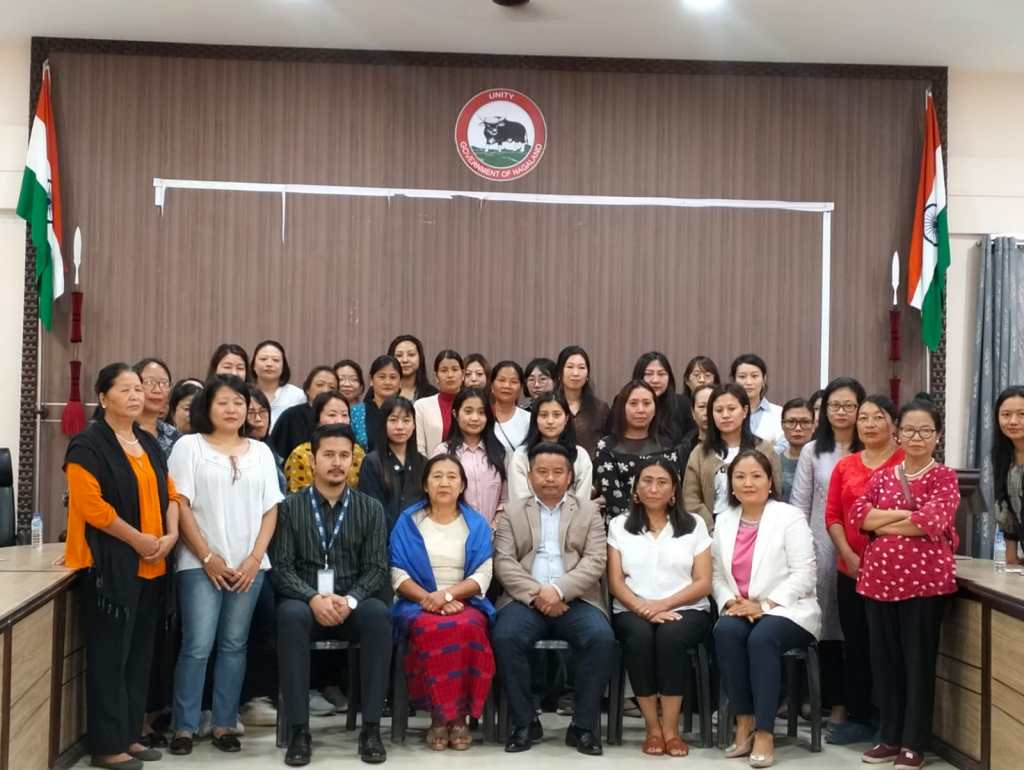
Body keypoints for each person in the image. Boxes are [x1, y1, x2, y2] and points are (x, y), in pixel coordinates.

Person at [64, 363, 180, 770]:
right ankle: (107, 746)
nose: (136, 396)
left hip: (153, 565)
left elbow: (171, 494)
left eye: (138, 389)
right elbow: (92, 508)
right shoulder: (87, 445)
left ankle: (130, 735)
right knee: (110, 658)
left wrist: (170, 536)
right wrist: (138, 540)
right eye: (126, 389)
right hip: (110, 566)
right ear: (103, 397)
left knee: (139, 656)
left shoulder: (147, 442)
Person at [168, 375, 283, 755]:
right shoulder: (189, 447)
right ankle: (184, 726)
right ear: (208, 406)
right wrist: (206, 556)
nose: (232, 409)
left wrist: (254, 559)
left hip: (249, 566)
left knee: (235, 645)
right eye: (223, 402)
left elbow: (271, 509)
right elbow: (180, 504)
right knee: (197, 645)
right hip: (198, 564)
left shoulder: (261, 452)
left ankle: (223, 723)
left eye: (239, 403)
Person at [271, 424, 392, 766]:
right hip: (306, 603)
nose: (337, 462)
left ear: (353, 460)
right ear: (313, 460)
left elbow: (377, 568)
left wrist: (350, 600)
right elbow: (282, 568)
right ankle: (299, 730)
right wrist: (313, 598)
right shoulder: (290, 507)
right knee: (290, 616)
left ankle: (371, 729)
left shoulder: (370, 508)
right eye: (328, 455)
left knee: (379, 616)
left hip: (352, 603)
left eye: (344, 455)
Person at [850, 395, 960, 770]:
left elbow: (932, 521)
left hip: (924, 585)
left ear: (937, 436)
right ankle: (891, 736)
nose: (916, 437)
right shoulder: (883, 476)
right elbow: (860, 517)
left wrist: (884, 520)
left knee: (917, 662)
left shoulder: (944, 477)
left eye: (925, 431)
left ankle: (914, 742)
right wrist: (905, 514)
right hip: (878, 582)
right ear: (898, 434)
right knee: (885, 662)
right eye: (910, 430)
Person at [492, 443, 614, 756]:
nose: (550, 478)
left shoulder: (588, 512)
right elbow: (503, 562)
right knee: (505, 637)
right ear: (529, 476)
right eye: (542, 472)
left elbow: (595, 561)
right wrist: (539, 594)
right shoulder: (511, 512)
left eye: (558, 472)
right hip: (524, 600)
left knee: (600, 638)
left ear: (570, 476)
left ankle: (583, 727)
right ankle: (524, 723)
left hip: (576, 600)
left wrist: (558, 590)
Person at [712, 450, 820, 769]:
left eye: (756, 476)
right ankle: (744, 720)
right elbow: (716, 574)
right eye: (740, 477)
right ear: (731, 485)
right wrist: (729, 601)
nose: (748, 483)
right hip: (741, 606)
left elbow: (805, 573)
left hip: (788, 609)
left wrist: (765, 605)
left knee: (762, 638)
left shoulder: (789, 517)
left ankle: (764, 732)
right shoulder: (724, 520)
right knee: (725, 631)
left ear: (770, 481)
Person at [607, 458, 713, 757]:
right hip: (632, 608)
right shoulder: (619, 526)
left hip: (687, 608)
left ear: (674, 490)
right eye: (647, 481)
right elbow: (615, 582)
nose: (654, 488)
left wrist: (661, 605)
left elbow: (703, 582)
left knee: (670, 636)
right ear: (636, 489)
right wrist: (643, 608)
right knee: (639, 637)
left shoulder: (694, 525)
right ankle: (653, 728)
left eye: (662, 482)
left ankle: (671, 730)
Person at [390, 454, 496, 751]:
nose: (444, 483)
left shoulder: (476, 524)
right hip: (417, 601)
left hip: (464, 602)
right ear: (425, 484)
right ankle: (441, 716)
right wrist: (430, 599)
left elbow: (483, 574)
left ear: (462, 485)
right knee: (431, 628)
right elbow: (397, 573)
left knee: (469, 627)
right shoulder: (409, 522)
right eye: (437, 476)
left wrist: (448, 595)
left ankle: (459, 716)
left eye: (452, 477)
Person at [823, 395, 903, 745]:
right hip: (851, 569)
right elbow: (833, 516)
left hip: (896, 573)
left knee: (889, 646)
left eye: (878, 417)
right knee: (855, 643)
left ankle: (889, 718)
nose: (869, 424)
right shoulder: (846, 465)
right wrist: (848, 554)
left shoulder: (905, 463)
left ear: (893, 424)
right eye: (864, 417)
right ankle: (858, 717)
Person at [790, 376, 865, 729]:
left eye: (849, 405)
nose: (841, 412)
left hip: (862, 550)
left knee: (853, 628)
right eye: (835, 405)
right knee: (823, 626)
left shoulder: (869, 449)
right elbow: (799, 505)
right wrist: (800, 552)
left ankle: (849, 702)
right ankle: (820, 697)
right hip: (819, 548)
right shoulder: (812, 451)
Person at [683, 383, 781, 529]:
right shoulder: (700, 453)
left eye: (731, 409)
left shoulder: (764, 449)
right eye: (719, 410)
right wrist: (712, 529)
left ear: (745, 411)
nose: (725, 415)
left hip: (757, 529)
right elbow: (691, 499)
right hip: (711, 530)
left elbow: (775, 492)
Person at [594, 380, 680, 522]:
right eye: (633, 403)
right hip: (621, 525)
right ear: (622, 408)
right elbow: (613, 498)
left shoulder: (667, 446)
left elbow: (673, 491)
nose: (640, 410)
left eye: (647, 403)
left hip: (664, 524)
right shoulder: (606, 447)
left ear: (655, 409)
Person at [433, 387, 507, 526]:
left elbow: (505, 500)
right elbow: (435, 497)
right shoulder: (443, 452)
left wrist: (493, 527)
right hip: (453, 532)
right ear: (455, 414)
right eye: (468, 411)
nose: (475, 418)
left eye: (481, 412)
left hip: (492, 533)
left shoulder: (499, 452)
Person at [508, 391, 592, 502]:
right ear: (535, 419)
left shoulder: (580, 455)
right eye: (544, 415)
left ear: (566, 418)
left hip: (573, 513)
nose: (550, 421)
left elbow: (582, 501)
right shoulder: (521, 455)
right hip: (528, 513)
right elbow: (520, 500)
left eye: (557, 415)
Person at [359, 396, 426, 531]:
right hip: (382, 536)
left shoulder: (423, 462)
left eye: (406, 420)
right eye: (393, 420)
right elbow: (370, 509)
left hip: (416, 537)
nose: (400, 427)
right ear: (383, 423)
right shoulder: (372, 462)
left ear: (414, 425)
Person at [284, 390, 364, 492]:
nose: (339, 420)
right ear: (317, 419)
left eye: (344, 415)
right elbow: (297, 497)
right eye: (332, 415)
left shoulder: (358, 452)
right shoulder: (300, 454)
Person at [270, 366, 339, 461]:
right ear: (307, 389)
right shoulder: (291, 415)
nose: (325, 390)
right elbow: (277, 454)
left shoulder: (341, 417)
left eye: (332, 387)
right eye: (320, 385)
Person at [555, 345, 610, 459]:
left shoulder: (600, 408)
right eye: (570, 367)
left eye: (581, 367)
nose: (576, 373)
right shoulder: (548, 405)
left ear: (587, 374)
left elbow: (609, 444)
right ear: (560, 372)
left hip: (592, 468)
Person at [632, 352, 695, 446]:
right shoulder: (624, 402)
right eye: (649, 374)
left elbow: (692, 435)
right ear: (638, 376)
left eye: (661, 374)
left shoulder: (683, 404)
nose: (655, 380)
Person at [993, 385, 1024, 564]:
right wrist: (1011, 559)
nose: (1013, 421)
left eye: (1022, 414)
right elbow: (1005, 509)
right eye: (1006, 414)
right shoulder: (1003, 456)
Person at [414, 350, 464, 456]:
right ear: (436, 376)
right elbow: (419, 449)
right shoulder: (421, 406)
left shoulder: (473, 404)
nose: (450, 375)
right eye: (444, 370)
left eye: (455, 369)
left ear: (463, 375)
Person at [730, 354, 784, 448]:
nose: (749, 382)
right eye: (742, 377)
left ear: (764, 379)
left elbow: (784, 447)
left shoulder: (779, 413)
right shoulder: (725, 413)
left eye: (754, 376)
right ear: (734, 380)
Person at [251, 340, 306, 430]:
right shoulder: (244, 393)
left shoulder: (298, 396)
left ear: (283, 366)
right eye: (263, 359)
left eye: (276, 360)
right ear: (253, 365)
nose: (269, 364)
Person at [353, 356, 402, 452]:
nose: (387, 382)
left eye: (393, 377)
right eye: (382, 377)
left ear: (400, 382)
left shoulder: (408, 411)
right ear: (371, 380)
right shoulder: (357, 412)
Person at [133, 357, 180, 456]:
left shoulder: (173, 435)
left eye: (164, 383)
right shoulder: (122, 430)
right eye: (149, 382)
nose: (157, 390)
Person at [778, 398, 815, 502]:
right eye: (791, 422)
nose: (798, 428)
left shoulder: (822, 461)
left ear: (813, 426)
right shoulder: (774, 461)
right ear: (782, 425)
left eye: (805, 422)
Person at [491, 360, 531, 453]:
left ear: (521, 388)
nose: (507, 386)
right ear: (491, 386)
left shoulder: (529, 419)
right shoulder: (482, 416)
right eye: (501, 380)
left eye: (514, 382)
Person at [388, 334, 438, 401]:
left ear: (420, 358)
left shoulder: (432, 395)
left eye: (411, 354)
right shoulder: (381, 391)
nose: (405, 360)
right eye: (399, 355)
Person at [677, 383, 714, 466]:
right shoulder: (683, 450)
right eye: (701, 406)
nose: (707, 412)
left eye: (711, 406)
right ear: (693, 413)